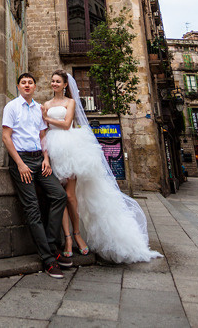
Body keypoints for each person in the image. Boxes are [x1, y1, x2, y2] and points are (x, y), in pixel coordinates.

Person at [42, 70, 162, 264]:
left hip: (69, 147)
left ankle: (78, 233)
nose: (54, 84)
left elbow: (66, 124)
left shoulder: (70, 102)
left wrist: (47, 119)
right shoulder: (46, 105)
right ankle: (67, 238)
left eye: (58, 81)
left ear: (65, 85)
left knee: (70, 196)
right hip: (52, 148)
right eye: (52, 81)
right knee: (59, 197)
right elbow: (43, 129)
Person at [2, 73, 71, 279]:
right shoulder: (11, 107)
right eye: (23, 82)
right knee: (32, 207)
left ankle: (51, 243)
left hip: (39, 160)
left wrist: (46, 159)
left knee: (59, 195)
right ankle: (48, 259)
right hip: (21, 161)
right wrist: (20, 164)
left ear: (34, 87)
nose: (27, 85)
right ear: (18, 86)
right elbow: (6, 136)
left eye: (30, 83)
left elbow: (42, 136)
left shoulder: (39, 108)